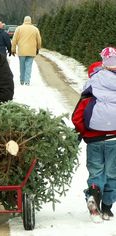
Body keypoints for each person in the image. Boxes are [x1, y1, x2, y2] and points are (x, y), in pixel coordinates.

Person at [72, 47, 116, 221]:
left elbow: (78, 116)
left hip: (94, 139)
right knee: (113, 173)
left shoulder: (92, 85)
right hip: (115, 139)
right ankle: (107, 208)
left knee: (96, 171)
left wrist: (82, 132)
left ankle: (93, 196)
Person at [11, 16, 41, 85]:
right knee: (29, 66)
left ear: (24, 20)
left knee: (22, 66)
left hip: (22, 50)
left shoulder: (19, 28)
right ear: (30, 21)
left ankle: (22, 80)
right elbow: (39, 40)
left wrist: (13, 49)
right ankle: (27, 81)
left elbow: (14, 39)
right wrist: (38, 48)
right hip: (31, 50)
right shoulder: (35, 29)